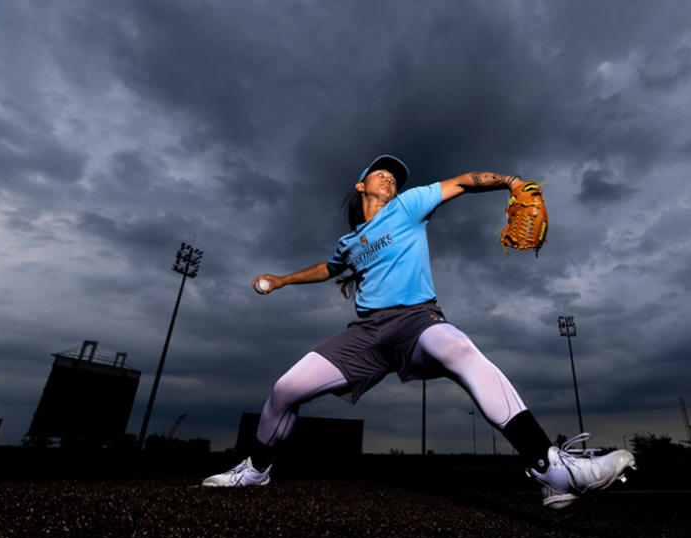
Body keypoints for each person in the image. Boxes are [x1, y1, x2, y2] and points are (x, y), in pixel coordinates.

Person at [202, 155, 635, 508]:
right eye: (381, 173)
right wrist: (281, 279)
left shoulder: (409, 205)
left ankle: (552, 469)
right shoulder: (351, 242)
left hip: (416, 321)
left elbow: (464, 182)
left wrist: (510, 181)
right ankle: (255, 470)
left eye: (394, 176)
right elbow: (327, 268)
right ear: (361, 186)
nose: (390, 178)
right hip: (366, 334)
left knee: (460, 349)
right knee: (285, 389)